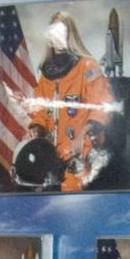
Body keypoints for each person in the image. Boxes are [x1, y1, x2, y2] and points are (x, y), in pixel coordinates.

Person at [23, 10, 114, 193]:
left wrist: (83, 133)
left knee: (70, 194)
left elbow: (102, 105)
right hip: (51, 154)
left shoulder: (87, 67)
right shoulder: (46, 75)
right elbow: (40, 112)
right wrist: (36, 128)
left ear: (70, 34)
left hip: (81, 149)